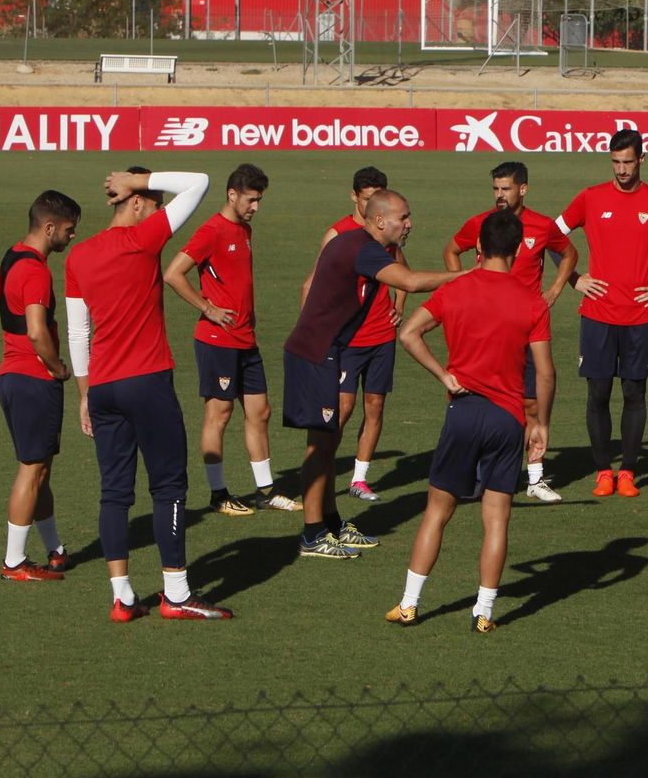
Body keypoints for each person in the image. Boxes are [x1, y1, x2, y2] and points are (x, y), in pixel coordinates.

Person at [65, 167, 229, 621]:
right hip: (148, 381)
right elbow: (199, 182)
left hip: (101, 387)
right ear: (136, 203)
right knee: (169, 485)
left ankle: (122, 597)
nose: (159, 211)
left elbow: (78, 333)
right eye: (153, 202)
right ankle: (176, 594)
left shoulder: (77, 256)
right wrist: (143, 180)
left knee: (114, 493)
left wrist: (83, 395)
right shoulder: (144, 238)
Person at [387, 210, 555, 632]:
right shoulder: (532, 301)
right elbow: (546, 373)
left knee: (436, 513)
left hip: (462, 412)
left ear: (478, 248)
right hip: (507, 418)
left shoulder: (457, 288)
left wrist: (444, 374)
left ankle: (409, 604)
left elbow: (408, 333)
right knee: (496, 519)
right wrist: (541, 425)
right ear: (518, 252)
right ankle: (484, 612)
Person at [285, 188, 464, 560]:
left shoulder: (357, 242)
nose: (409, 224)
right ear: (380, 220)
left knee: (329, 442)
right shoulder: (362, 247)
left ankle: (331, 523)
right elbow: (410, 282)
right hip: (316, 355)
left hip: (327, 352)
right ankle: (312, 535)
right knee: (320, 446)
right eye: (404, 217)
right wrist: (471, 275)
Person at [556, 129, 648, 499]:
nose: (621, 169)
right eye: (615, 162)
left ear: (642, 159)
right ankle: (603, 472)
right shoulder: (591, 197)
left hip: (639, 316)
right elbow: (552, 236)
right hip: (596, 313)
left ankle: (627, 471)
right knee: (597, 393)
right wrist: (575, 279)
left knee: (634, 392)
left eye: (628, 162)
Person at [163, 163, 300, 517]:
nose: (256, 206)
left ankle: (266, 490)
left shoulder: (244, 230)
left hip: (245, 340)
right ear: (232, 194)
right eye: (252, 200)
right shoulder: (211, 230)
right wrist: (207, 307)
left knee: (260, 412)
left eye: (259, 200)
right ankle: (218, 493)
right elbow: (173, 273)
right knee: (219, 414)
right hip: (217, 340)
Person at [442, 161, 578, 503]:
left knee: (531, 402)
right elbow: (451, 250)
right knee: (482, 400)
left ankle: (534, 478)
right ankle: (477, 477)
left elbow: (569, 253)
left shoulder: (543, 225)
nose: (500, 195)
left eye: (506, 188)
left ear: (523, 189)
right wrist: (463, 282)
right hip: (489, 327)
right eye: (496, 189)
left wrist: (555, 290)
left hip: (528, 328)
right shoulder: (480, 224)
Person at [299, 167, 407, 504]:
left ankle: (359, 479)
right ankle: (323, 474)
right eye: (365, 198)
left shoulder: (387, 235)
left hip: (381, 336)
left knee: (374, 407)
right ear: (354, 197)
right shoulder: (339, 234)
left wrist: (399, 304)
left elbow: (403, 269)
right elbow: (312, 282)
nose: (370, 203)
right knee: (340, 411)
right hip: (347, 340)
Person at [0, 190, 81, 582]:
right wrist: (58, 367)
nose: (71, 236)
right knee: (31, 471)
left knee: (41, 469)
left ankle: (55, 549)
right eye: (68, 230)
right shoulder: (36, 271)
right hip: (33, 379)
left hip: (12, 377)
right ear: (49, 228)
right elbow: (35, 330)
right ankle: (14, 562)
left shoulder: (11, 257)